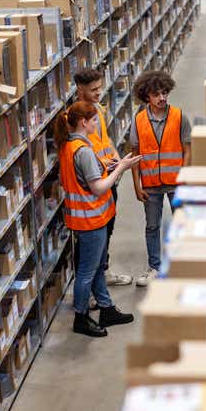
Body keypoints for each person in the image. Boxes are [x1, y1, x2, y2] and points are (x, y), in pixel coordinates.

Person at [54, 101, 142, 337]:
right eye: (94, 120)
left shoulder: (70, 145)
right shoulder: (82, 151)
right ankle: (81, 318)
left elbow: (81, 177)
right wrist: (121, 167)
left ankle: (106, 308)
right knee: (87, 272)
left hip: (86, 219)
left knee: (93, 268)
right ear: (84, 122)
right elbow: (99, 187)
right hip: (91, 220)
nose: (97, 123)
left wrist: (108, 165)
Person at [130, 71, 192, 287]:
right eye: (156, 94)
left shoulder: (179, 116)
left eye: (164, 92)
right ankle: (154, 267)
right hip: (151, 185)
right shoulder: (138, 121)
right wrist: (136, 186)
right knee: (152, 226)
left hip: (176, 182)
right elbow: (135, 155)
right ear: (146, 96)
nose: (162, 98)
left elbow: (187, 149)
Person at [73, 68, 134, 287]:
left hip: (108, 178)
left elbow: (104, 141)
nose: (99, 92)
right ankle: (88, 286)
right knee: (90, 240)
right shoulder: (76, 117)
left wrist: (116, 158)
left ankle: (103, 273)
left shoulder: (97, 110)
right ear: (80, 90)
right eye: (94, 89)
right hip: (92, 186)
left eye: (100, 87)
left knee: (108, 230)